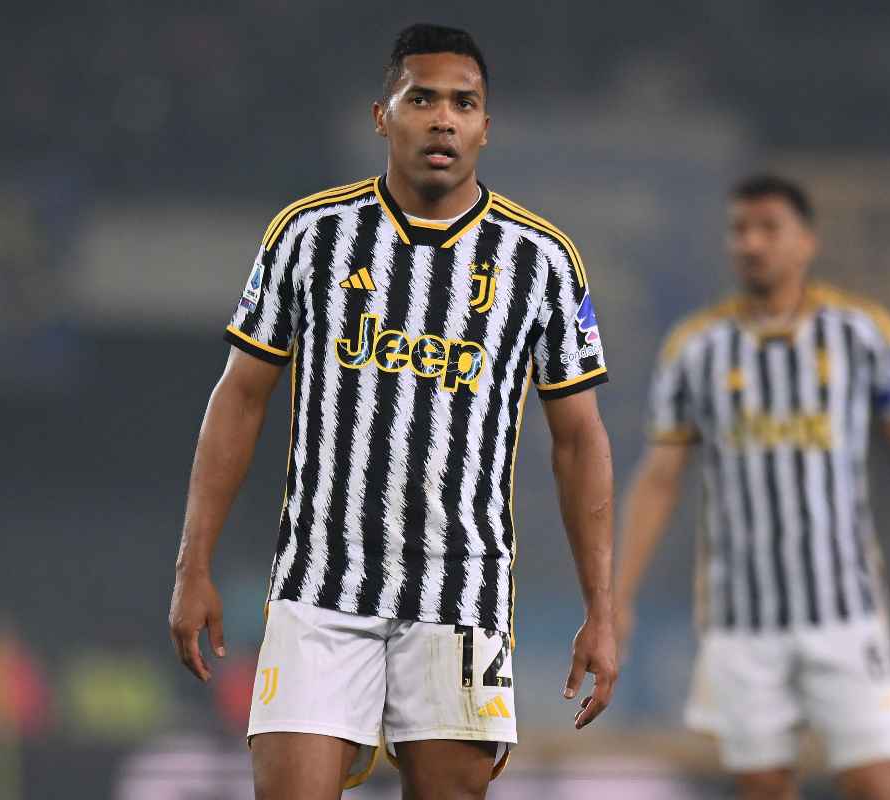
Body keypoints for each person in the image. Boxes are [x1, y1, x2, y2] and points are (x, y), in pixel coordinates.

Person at [168, 23, 618, 800]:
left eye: (463, 104)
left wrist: (601, 609)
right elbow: (240, 396)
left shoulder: (541, 261)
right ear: (383, 116)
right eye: (422, 100)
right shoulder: (310, 237)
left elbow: (579, 439)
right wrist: (192, 564)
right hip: (321, 587)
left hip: (462, 595)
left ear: (485, 126)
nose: (443, 119)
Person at [615, 175, 890, 800]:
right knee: (764, 788)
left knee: (875, 785)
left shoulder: (863, 333)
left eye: (769, 229)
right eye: (739, 229)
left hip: (846, 610)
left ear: (807, 242)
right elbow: (659, 479)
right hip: (742, 619)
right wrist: (620, 596)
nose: (751, 243)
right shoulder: (694, 348)